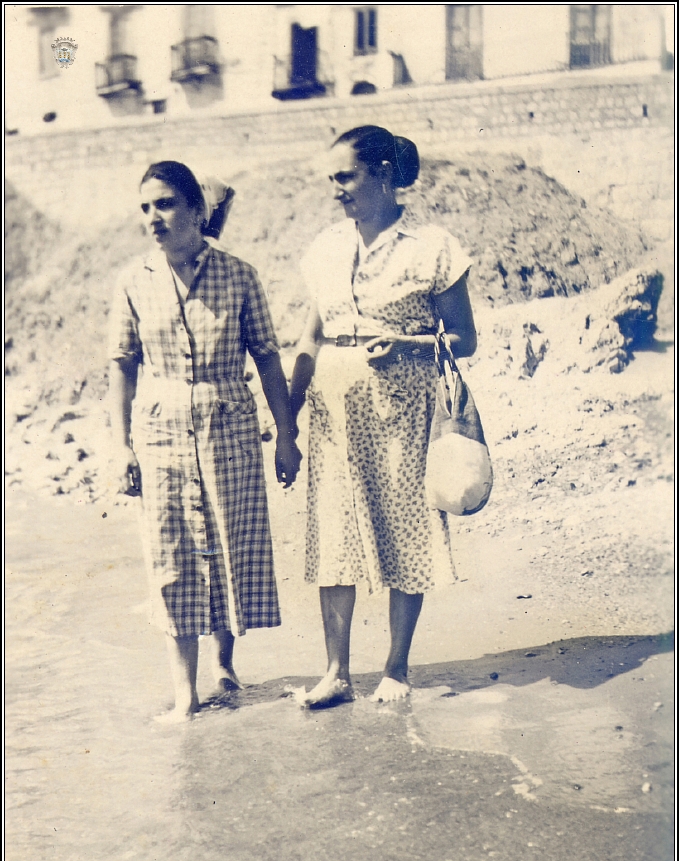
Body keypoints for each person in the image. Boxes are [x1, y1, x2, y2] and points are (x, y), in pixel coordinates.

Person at [289, 125, 477, 707]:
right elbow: (309, 337)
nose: (336, 190)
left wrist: (408, 346)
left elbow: (464, 338)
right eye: (332, 179)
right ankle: (336, 673)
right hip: (333, 409)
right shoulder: (324, 248)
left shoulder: (433, 247)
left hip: (402, 405)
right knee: (333, 535)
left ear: (385, 175)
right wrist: (288, 421)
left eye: (346, 176)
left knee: (405, 530)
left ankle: (396, 668)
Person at [109, 161, 301, 723]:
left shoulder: (239, 275)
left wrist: (285, 436)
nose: (153, 218)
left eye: (165, 204)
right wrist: (119, 446)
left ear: (196, 210)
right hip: (160, 432)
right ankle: (184, 696)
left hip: (230, 425)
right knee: (171, 557)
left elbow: (267, 356)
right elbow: (121, 364)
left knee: (225, 545)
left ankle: (225, 664)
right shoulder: (132, 280)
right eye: (145, 207)